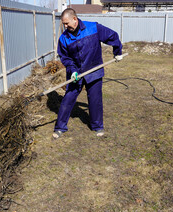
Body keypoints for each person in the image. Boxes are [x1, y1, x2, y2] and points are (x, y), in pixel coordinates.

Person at [52, 8, 123, 139]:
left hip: (93, 69)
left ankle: (97, 126)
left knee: (95, 99)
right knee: (68, 98)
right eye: (64, 24)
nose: (65, 27)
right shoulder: (64, 38)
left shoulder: (93, 28)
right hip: (75, 73)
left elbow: (112, 36)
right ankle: (60, 127)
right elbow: (65, 57)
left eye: (67, 23)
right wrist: (72, 70)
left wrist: (117, 52)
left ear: (75, 19)